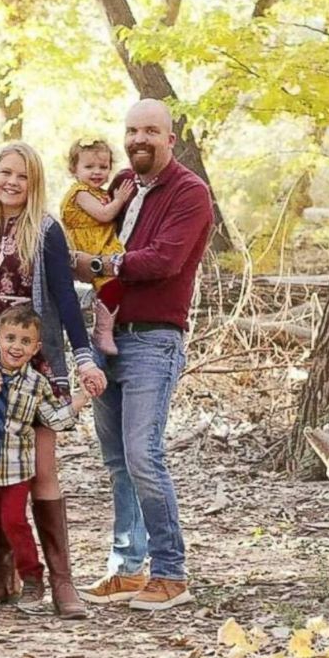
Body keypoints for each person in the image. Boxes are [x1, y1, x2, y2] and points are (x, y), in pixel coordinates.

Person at [75, 99, 212, 611]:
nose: (139, 140)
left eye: (151, 131)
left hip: (154, 339)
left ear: (170, 139)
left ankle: (171, 573)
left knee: (143, 456)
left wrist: (95, 263)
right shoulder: (121, 188)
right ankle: (128, 568)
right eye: (132, 130)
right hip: (107, 336)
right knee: (117, 462)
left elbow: (163, 261)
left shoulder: (190, 192)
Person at [0, 141, 105, 619]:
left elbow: (66, 300)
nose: (12, 182)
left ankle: (61, 583)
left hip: (38, 368)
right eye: (5, 172)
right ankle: (4, 580)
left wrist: (83, 358)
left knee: (42, 470)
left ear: (35, 183)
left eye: (22, 176)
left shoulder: (46, 230)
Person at [0, 306, 89, 609]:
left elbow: (52, 419)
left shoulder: (37, 383)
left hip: (15, 469)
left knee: (14, 521)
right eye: (10, 338)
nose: (16, 346)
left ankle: (33, 579)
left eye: (25, 341)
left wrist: (78, 402)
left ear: (36, 348)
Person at [59, 139, 135, 355]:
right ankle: (102, 330)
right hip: (93, 247)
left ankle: (105, 323)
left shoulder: (98, 192)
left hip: (103, 242)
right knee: (110, 283)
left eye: (103, 167)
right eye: (89, 167)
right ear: (74, 169)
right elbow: (104, 214)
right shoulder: (80, 193)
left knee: (115, 285)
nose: (97, 172)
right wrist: (119, 199)